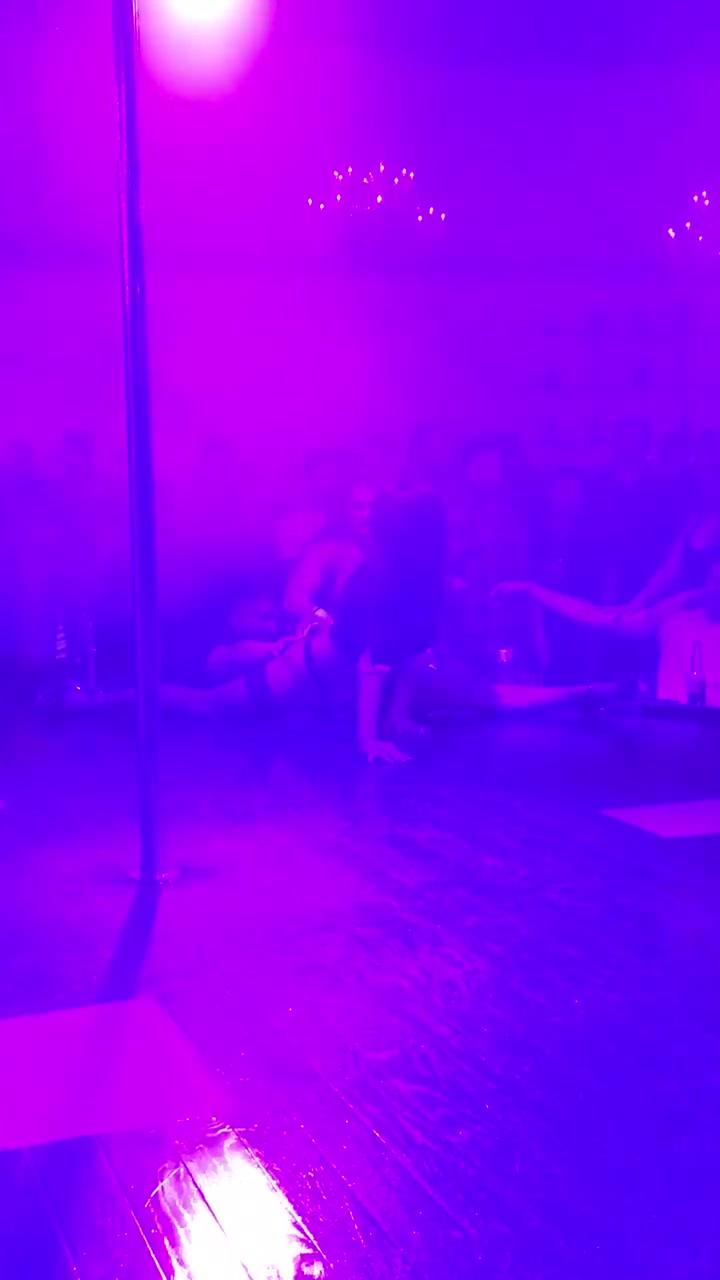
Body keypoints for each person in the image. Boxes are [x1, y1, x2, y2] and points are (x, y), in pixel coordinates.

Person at [493, 562, 720, 706]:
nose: (715, 587)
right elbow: (592, 615)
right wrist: (533, 590)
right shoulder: (675, 619)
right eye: (713, 580)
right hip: (671, 731)